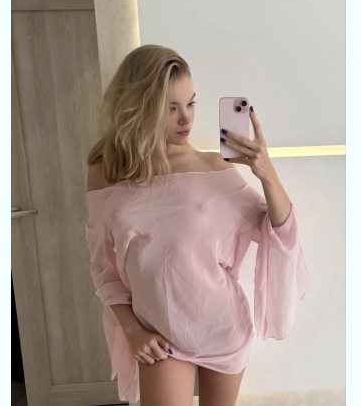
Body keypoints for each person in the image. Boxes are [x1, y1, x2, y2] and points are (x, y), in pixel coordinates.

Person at [85, 44, 312, 406]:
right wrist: (131, 329)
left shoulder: (214, 168)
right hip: (158, 331)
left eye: (190, 103)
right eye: (170, 108)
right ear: (140, 107)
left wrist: (266, 172)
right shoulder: (105, 172)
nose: (186, 119)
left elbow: (280, 230)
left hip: (222, 327)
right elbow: (103, 265)